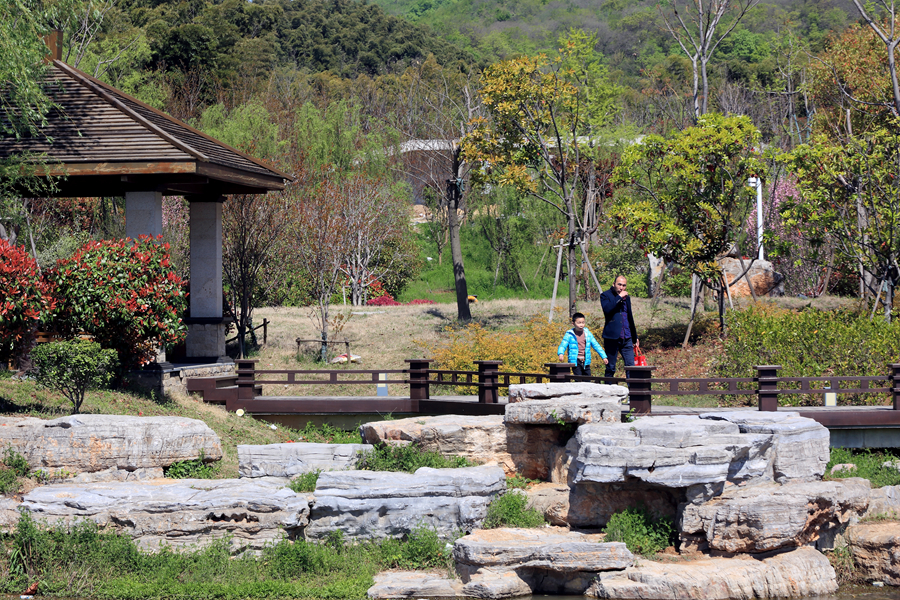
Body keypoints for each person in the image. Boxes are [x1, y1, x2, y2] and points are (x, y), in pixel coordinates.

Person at [600, 275, 640, 378]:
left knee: (631, 367)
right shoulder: (605, 295)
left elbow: (629, 317)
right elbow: (607, 310)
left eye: (624, 285)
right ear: (613, 284)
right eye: (619, 284)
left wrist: (635, 337)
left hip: (627, 337)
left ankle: (633, 393)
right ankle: (607, 391)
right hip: (612, 337)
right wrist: (619, 297)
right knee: (611, 367)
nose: (621, 287)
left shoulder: (627, 298)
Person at [557, 312, 608, 377]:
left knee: (587, 378)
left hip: (586, 360)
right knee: (578, 379)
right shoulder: (569, 335)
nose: (581, 325)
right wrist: (561, 353)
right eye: (579, 323)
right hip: (575, 361)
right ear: (573, 323)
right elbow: (563, 345)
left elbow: (596, 345)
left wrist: (604, 356)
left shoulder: (588, 334)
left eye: (583, 322)